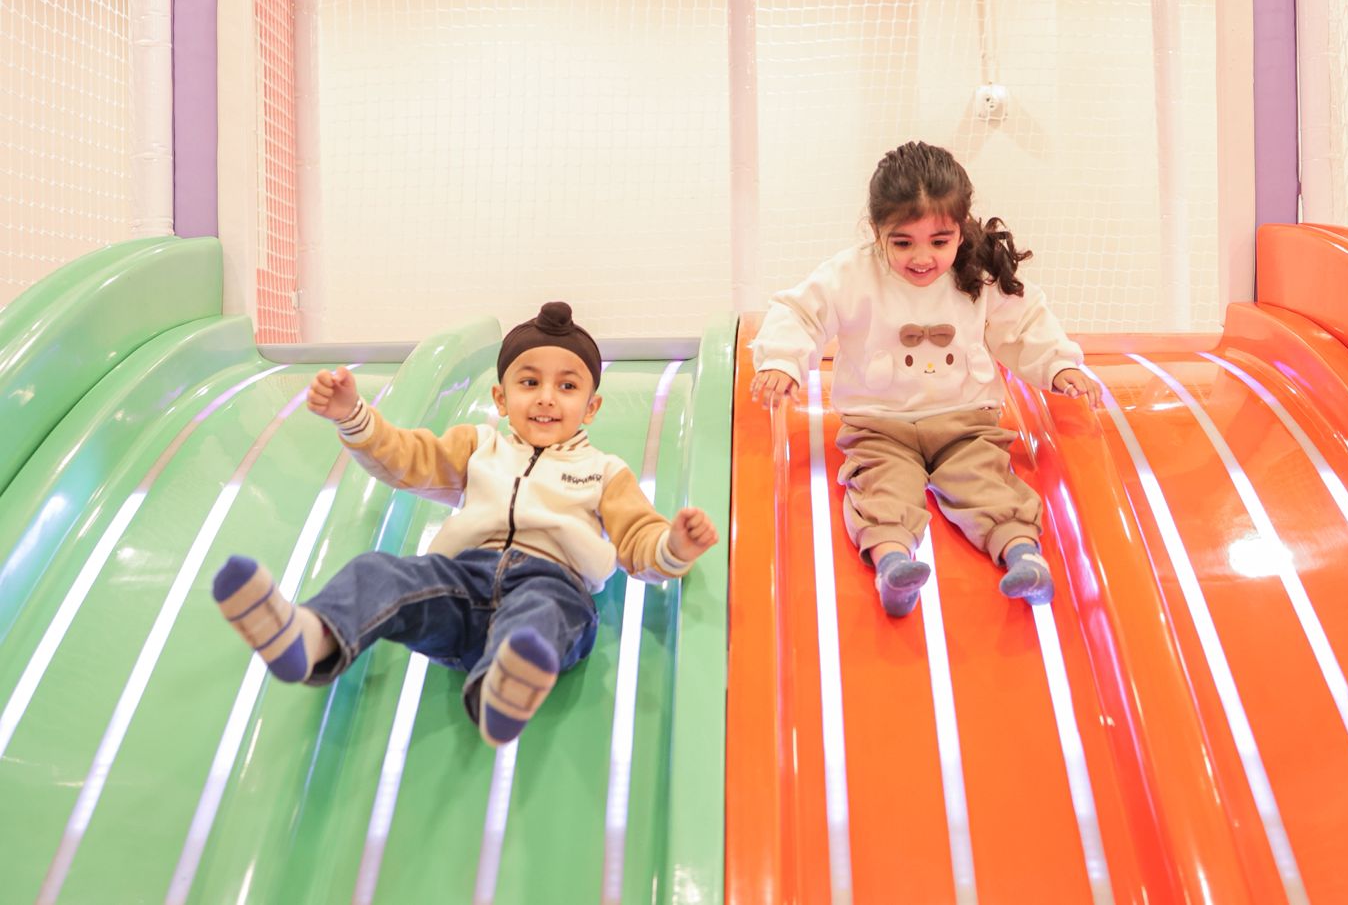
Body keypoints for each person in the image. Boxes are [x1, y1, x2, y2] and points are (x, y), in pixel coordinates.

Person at [211, 301, 718, 746]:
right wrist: (353, 414)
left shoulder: (604, 472)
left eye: (567, 386)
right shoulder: (479, 447)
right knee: (378, 572)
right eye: (529, 382)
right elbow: (407, 457)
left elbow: (637, 539)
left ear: (591, 406)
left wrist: (673, 545)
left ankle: (503, 685)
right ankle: (310, 636)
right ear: (501, 399)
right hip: (461, 583)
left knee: (541, 614)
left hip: (550, 582)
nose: (546, 397)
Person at [750, 141, 1094, 617]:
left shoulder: (977, 272)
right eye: (903, 242)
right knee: (883, 487)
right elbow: (801, 313)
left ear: (960, 228)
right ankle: (894, 566)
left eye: (939, 241)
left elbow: (1023, 323)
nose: (922, 258)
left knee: (987, 481)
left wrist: (1059, 365)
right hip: (880, 424)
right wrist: (781, 361)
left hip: (966, 421)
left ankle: (1023, 556)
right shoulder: (853, 274)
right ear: (877, 231)